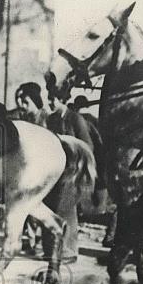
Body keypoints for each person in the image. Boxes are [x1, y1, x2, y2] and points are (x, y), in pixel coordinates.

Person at [42, 86, 96, 263]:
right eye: (49, 99)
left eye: (53, 100)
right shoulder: (51, 119)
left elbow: (87, 145)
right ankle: (50, 251)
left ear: (62, 100)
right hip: (55, 166)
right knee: (49, 205)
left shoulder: (76, 119)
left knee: (65, 207)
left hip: (73, 168)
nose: (50, 103)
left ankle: (68, 251)